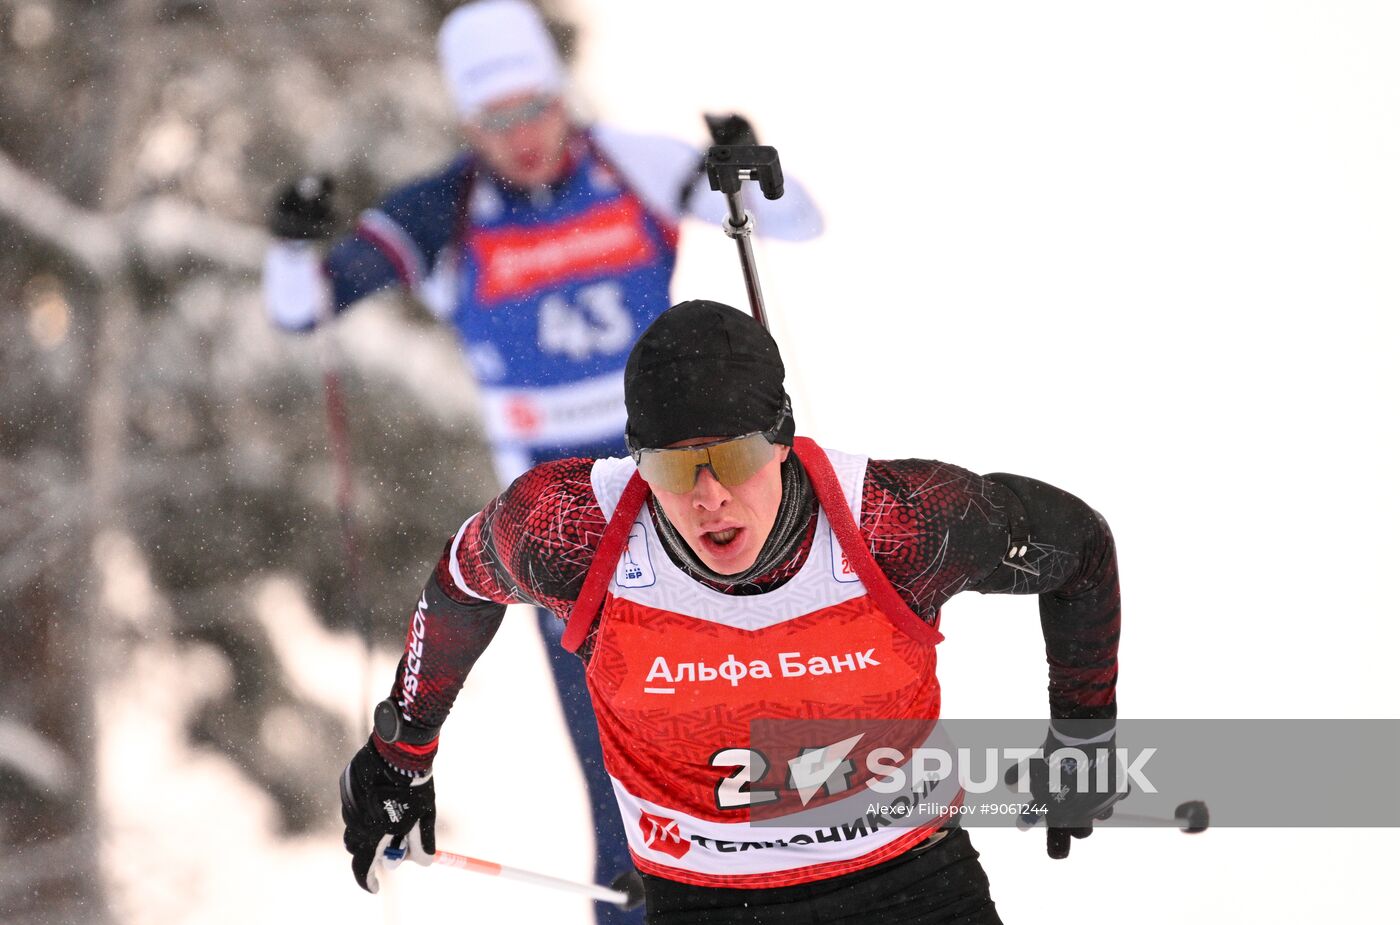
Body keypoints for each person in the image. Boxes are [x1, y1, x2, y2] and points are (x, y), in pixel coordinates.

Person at [265, 2, 822, 917]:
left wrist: (748, 167)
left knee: (753, 715)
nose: (522, 138)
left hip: (691, 484)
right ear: (466, 125)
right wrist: (294, 242)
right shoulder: (448, 205)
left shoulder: (625, 163)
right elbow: (305, 306)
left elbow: (794, 220)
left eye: (534, 108)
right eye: (495, 121)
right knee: (618, 767)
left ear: (561, 96)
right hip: (565, 523)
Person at [340, 300, 1125, 923]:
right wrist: (401, 749)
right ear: (636, 457)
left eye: (736, 458)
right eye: (675, 466)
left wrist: (1083, 733)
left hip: (913, 885)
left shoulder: (898, 525)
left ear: (781, 437)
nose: (708, 495)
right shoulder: (572, 532)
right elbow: (463, 582)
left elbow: (1081, 550)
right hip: (709, 901)